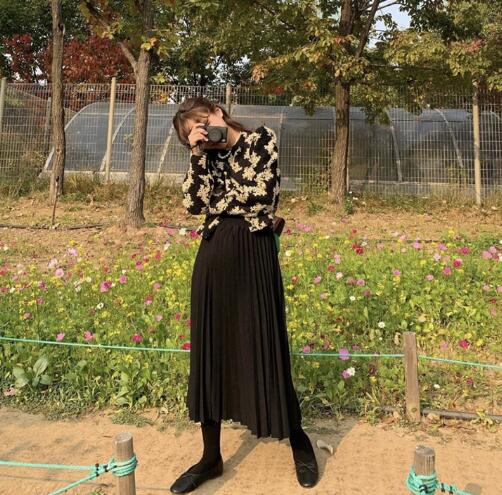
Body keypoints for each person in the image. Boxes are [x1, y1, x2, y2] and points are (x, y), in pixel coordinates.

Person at [169, 96, 318, 493]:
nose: (203, 135)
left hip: (255, 254)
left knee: (267, 344)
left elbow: (261, 195)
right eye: (193, 135)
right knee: (211, 351)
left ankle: (297, 438)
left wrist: (221, 200)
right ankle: (210, 457)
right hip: (214, 257)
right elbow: (193, 203)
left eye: (203, 124)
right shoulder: (204, 158)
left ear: (218, 112)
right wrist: (198, 157)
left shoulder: (261, 140)